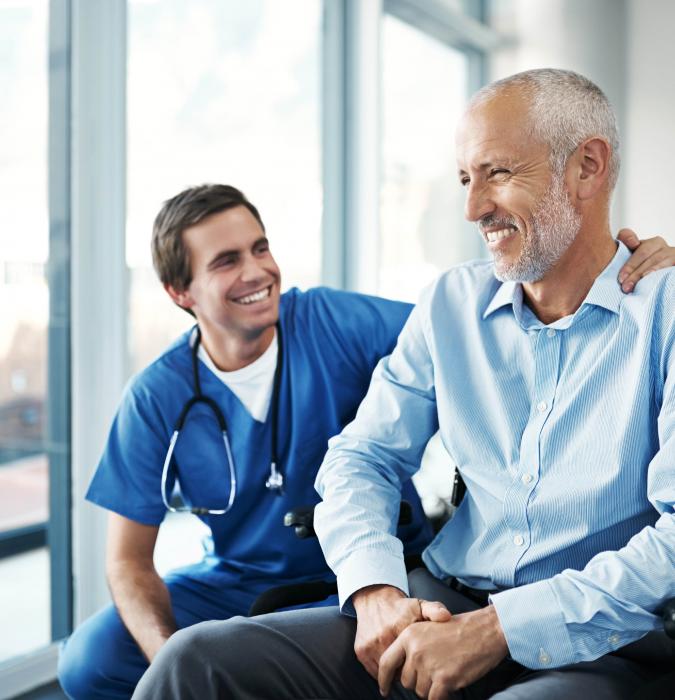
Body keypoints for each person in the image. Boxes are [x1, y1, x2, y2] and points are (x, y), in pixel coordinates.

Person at [131, 69, 675, 700]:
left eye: (497, 173)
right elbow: (361, 456)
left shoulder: (661, 315)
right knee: (195, 660)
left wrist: (499, 631)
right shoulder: (450, 303)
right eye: (466, 179)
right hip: (439, 603)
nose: (472, 209)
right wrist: (377, 591)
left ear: (587, 167)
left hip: (597, 644)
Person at [57, 184, 436, 700]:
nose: (257, 272)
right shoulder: (157, 396)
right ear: (180, 291)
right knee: (90, 662)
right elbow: (127, 560)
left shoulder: (329, 322)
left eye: (261, 248)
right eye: (227, 261)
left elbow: (448, 335)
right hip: (238, 581)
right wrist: (174, 661)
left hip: (372, 567)